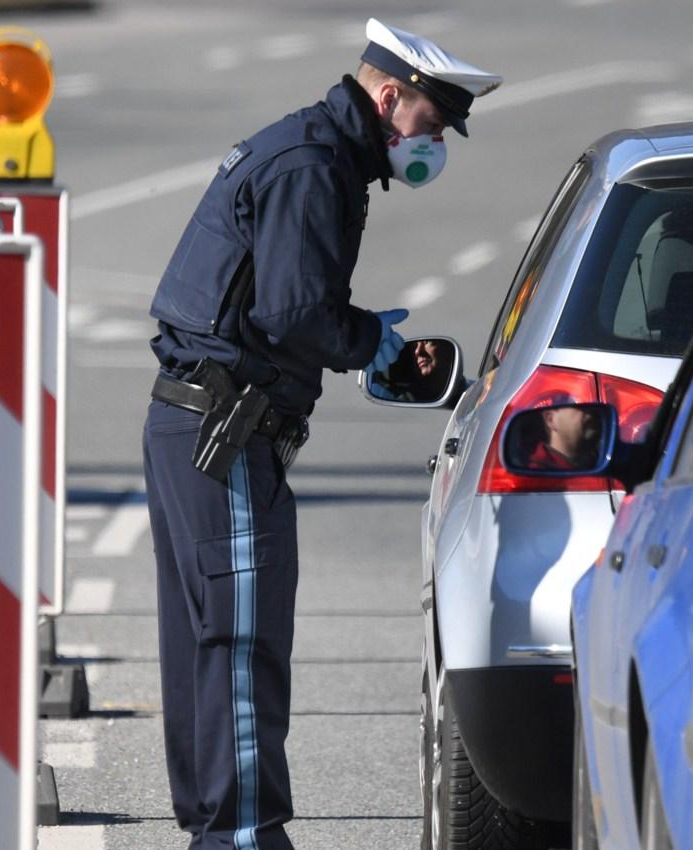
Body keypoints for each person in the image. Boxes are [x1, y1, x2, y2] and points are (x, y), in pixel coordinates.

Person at [141, 18, 500, 850]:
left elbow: (282, 304)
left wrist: (354, 338)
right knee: (239, 642)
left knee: (208, 645)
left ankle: (217, 829)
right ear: (389, 96)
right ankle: (240, 836)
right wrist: (369, 340)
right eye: (433, 122)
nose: (434, 142)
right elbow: (294, 310)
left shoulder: (315, 150)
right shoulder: (313, 165)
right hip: (225, 432)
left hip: (199, 421)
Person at [368, 338, 454, 402]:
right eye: (414, 347)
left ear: (449, 350)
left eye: (426, 342)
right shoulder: (404, 398)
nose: (418, 351)